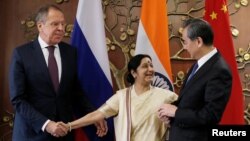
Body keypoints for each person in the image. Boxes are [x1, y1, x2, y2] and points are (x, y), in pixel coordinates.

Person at [9, 4, 107, 141]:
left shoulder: (70, 52)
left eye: (63, 24)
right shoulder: (21, 54)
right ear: (40, 26)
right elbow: (18, 99)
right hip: (31, 134)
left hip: (64, 133)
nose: (61, 29)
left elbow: (74, 91)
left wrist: (94, 115)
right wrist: (46, 124)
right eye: (55, 24)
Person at [60, 54, 178, 141]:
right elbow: (96, 115)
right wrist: (69, 125)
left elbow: (184, 117)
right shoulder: (122, 96)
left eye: (151, 66)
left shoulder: (167, 96)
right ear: (134, 73)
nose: (150, 70)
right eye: (145, 66)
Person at [158, 18, 233, 141]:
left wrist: (176, 113)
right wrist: (169, 113)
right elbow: (190, 102)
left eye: (185, 42)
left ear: (198, 41)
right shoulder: (199, 64)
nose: (184, 47)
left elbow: (211, 115)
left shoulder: (219, 70)